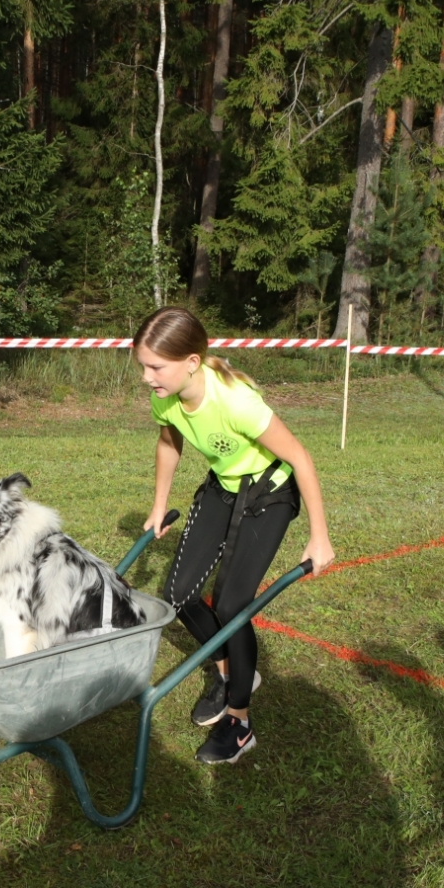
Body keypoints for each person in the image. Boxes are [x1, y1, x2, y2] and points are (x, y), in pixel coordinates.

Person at [136, 307, 334, 764]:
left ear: (191, 362)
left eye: (155, 367)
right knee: (178, 594)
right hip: (224, 488)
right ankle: (230, 672)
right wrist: (158, 503)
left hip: (269, 494)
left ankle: (239, 723)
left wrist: (318, 536)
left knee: (231, 606)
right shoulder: (167, 395)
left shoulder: (235, 401)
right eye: (143, 366)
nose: (147, 377)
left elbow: (300, 458)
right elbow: (170, 442)